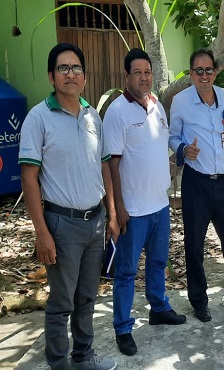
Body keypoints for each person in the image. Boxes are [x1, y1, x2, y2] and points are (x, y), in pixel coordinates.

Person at [18, 42, 118, 370]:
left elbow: (104, 166)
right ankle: (58, 363)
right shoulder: (38, 118)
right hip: (61, 225)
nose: (70, 74)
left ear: (85, 78)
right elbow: (29, 178)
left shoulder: (92, 116)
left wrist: (111, 214)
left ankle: (84, 357)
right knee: (61, 304)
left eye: (76, 68)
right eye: (63, 68)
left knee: (87, 296)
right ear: (51, 76)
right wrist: (41, 232)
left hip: (95, 221)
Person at [104, 48, 186, 356]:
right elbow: (112, 165)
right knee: (126, 271)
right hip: (133, 210)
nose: (144, 77)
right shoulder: (116, 112)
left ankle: (158, 308)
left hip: (159, 204)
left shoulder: (157, 107)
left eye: (148, 72)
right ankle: (123, 327)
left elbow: (158, 150)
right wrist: (118, 209)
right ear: (126, 77)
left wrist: (174, 162)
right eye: (137, 72)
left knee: (158, 263)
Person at [169, 49, 224, 322]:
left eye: (209, 70)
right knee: (194, 245)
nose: (204, 76)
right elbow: (172, 138)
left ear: (215, 72)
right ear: (191, 74)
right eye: (199, 71)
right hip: (196, 182)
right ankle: (199, 301)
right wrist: (184, 149)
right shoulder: (180, 101)